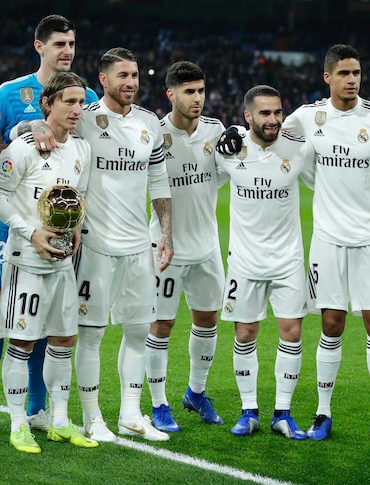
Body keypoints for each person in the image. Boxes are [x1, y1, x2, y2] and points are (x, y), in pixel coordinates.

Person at [218, 44, 370, 443]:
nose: (352, 80)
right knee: (330, 323)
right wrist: (234, 132)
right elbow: (265, 128)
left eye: (357, 72)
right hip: (326, 239)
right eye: (344, 73)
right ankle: (322, 413)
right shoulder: (308, 117)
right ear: (328, 77)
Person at [36, 47, 173, 442]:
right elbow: (43, 125)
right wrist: (32, 129)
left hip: (138, 247)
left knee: (137, 331)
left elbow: (159, 182)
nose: (130, 82)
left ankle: (131, 412)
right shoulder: (86, 118)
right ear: (104, 79)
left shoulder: (149, 123)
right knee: (91, 335)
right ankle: (93, 416)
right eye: (123, 76)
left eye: (135, 76)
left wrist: (166, 232)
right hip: (94, 247)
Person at [0, 15, 99, 434]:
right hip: (14, 230)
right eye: (59, 43)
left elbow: (83, 154)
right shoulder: (8, 93)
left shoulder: (88, 95)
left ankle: (39, 409)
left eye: (72, 44)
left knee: (52, 323)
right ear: (39, 46)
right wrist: (27, 129)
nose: (67, 50)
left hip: (62, 229)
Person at [215, 85, 315, 440]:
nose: (273, 120)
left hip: (288, 259)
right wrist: (230, 133)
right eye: (264, 114)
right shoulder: (229, 149)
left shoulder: (299, 147)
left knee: (292, 333)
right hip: (244, 261)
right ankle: (248, 411)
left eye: (277, 112)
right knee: (245, 334)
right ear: (247, 117)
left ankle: (283, 414)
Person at [145, 61, 225, 432]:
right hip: (166, 248)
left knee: (207, 320)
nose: (198, 98)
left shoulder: (215, 130)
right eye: (189, 91)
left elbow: (227, 173)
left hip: (207, 245)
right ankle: (159, 403)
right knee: (161, 324)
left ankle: (195, 392)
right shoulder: (155, 135)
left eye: (201, 90)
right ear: (170, 94)